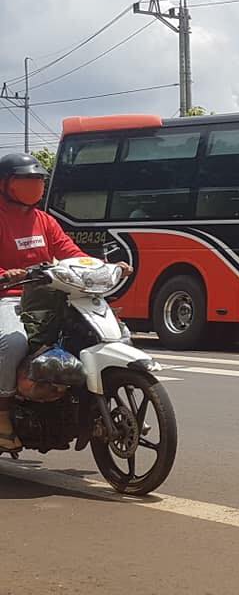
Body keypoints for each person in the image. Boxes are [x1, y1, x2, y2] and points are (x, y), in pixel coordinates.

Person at [0, 153, 131, 452]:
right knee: (13, 343)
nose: (35, 186)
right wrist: (7, 275)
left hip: (51, 295)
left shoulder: (44, 221)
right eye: (26, 180)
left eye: (38, 181)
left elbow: (71, 252)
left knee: (107, 333)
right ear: (6, 184)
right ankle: (3, 413)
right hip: (10, 296)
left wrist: (105, 267)